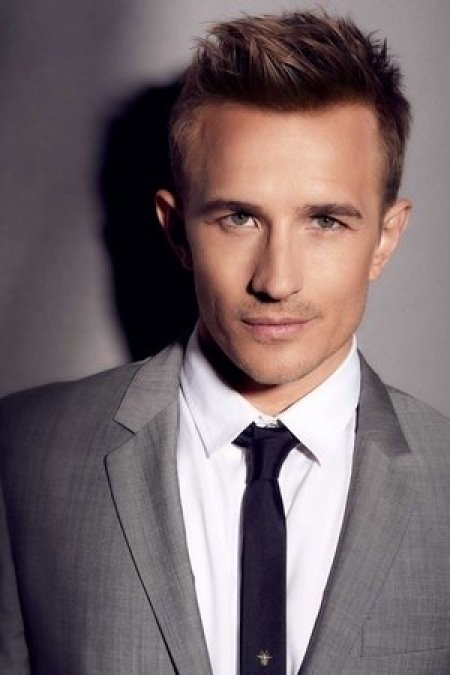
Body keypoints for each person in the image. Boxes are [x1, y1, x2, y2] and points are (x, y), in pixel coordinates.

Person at [1, 10, 450, 675]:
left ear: (385, 239)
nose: (276, 280)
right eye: (239, 217)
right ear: (176, 229)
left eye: (325, 221)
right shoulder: (20, 454)